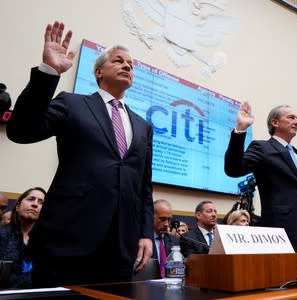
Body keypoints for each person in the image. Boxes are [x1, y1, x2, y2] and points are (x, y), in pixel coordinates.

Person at [6, 21, 154, 287]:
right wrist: (49, 72)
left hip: (120, 251)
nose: (127, 66)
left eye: (131, 64)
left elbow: (144, 187)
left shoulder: (143, 127)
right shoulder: (72, 104)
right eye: (119, 61)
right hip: (67, 244)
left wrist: (145, 234)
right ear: (98, 71)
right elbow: (21, 130)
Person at [224, 102, 297, 266]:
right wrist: (240, 130)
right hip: (280, 234)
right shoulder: (262, 147)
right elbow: (233, 169)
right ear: (275, 122)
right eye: (291, 117)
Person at [0, 187, 46, 288]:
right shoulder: (2, 234)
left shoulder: (47, 242)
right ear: (17, 206)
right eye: (31, 199)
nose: (35, 204)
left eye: (41, 202)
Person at [152, 199, 178, 278]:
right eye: (162, 219)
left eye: (169, 220)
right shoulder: (142, 240)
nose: (167, 224)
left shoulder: (174, 241)